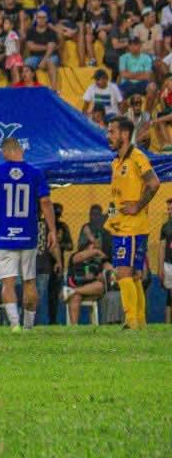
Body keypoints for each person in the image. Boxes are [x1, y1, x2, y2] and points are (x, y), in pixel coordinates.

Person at [0, 137, 59, 332]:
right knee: (30, 281)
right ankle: (29, 326)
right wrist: (52, 231)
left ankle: (15, 325)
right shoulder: (36, 173)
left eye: (3, 153)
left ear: (6, 151)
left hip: (5, 236)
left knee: (8, 282)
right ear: (21, 150)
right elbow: (46, 203)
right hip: (28, 235)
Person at [104, 116, 161, 329]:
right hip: (121, 226)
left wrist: (137, 206)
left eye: (112, 132)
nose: (108, 136)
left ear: (125, 135)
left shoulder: (137, 157)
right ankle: (139, 321)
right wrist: (110, 219)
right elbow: (114, 197)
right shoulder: (116, 163)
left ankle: (130, 321)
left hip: (133, 227)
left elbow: (154, 183)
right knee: (134, 274)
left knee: (123, 273)